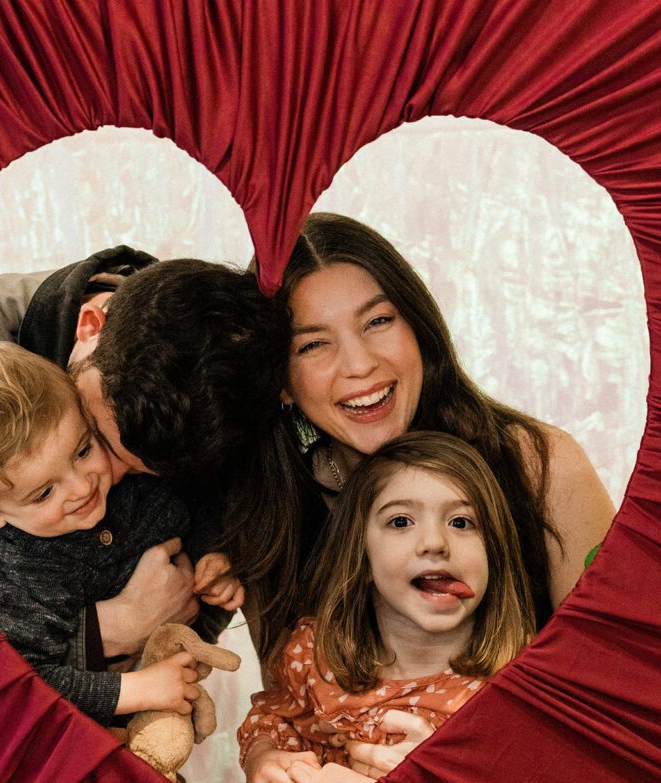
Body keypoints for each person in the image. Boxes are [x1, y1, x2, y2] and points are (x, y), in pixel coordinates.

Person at [221, 212, 616, 668]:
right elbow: (287, 701)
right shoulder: (269, 516)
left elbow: (615, 673)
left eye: (377, 321)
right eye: (312, 345)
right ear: (280, 382)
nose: (359, 365)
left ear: (419, 329)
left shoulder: (541, 466)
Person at [0, 245, 285, 661]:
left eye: (144, 473)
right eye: (93, 438)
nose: (100, 479)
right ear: (89, 325)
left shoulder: (222, 391)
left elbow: (214, 550)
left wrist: (210, 575)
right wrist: (105, 632)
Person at [0, 341, 243, 725]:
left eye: (82, 451)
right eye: (45, 493)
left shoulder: (129, 478)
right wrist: (133, 690)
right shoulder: (20, 572)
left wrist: (212, 559)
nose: (83, 487)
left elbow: (195, 505)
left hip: (178, 671)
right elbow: (29, 679)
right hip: (104, 726)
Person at [237, 432, 534, 783]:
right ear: (360, 555)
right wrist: (265, 758)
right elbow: (276, 716)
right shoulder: (317, 656)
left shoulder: (518, 686)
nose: (435, 543)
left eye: (461, 522)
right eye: (401, 522)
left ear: (494, 554)